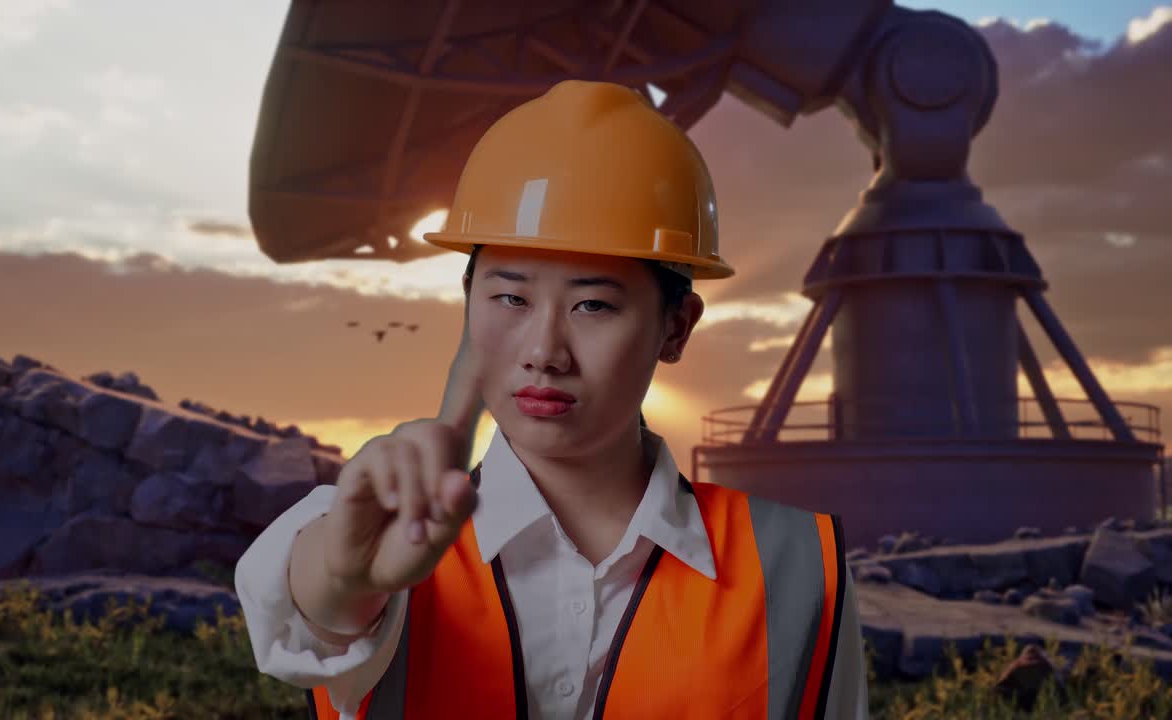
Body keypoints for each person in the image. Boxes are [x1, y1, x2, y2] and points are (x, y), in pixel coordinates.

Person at [236, 79, 870, 719]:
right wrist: (345, 579)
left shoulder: (799, 565)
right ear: (467, 304)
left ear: (675, 327)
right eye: (511, 298)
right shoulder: (382, 537)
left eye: (592, 304)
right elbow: (302, 617)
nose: (544, 351)